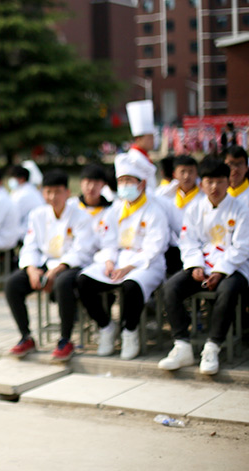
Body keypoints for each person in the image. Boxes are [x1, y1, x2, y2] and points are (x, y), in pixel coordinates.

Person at [158, 159, 249, 375]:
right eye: (210, 182)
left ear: (228, 182)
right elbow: (188, 241)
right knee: (171, 287)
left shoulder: (242, 209)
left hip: (233, 267)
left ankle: (213, 346)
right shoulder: (195, 209)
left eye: (220, 182)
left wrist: (220, 270)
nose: (214, 187)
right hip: (202, 265)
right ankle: (182, 345)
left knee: (227, 291)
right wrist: (195, 265)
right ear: (202, 184)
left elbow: (242, 247)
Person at [77, 153, 169, 360]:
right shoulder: (115, 209)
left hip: (147, 264)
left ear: (142, 183)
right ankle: (106, 327)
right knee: (84, 281)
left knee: (131, 285)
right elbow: (107, 240)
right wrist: (109, 261)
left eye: (129, 181)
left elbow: (155, 247)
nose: (124, 185)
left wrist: (129, 268)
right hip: (118, 260)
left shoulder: (154, 211)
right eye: (121, 181)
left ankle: (130, 331)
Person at [4, 170, 96, 362]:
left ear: (67, 192)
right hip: (44, 264)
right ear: (42, 192)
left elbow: (81, 251)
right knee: (12, 284)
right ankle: (26, 336)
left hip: (70, 266)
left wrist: (57, 270)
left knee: (63, 283)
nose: (52, 197)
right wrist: (31, 270)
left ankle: (65, 339)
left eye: (57, 192)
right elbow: (30, 245)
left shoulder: (81, 216)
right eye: (48, 192)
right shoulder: (37, 215)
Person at [162, 155, 202, 275]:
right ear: (175, 174)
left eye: (191, 172)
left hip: (198, 246)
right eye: (182, 172)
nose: (186, 176)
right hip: (174, 247)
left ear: (197, 174)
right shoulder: (165, 196)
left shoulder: (204, 197)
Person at [125, 100, 158, 192]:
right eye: (149, 138)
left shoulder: (144, 156)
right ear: (138, 139)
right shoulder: (134, 158)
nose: (152, 141)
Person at [8, 165, 44, 240]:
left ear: (22, 179)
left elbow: (12, 215)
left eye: (13, 178)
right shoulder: (28, 190)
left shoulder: (23, 195)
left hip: (27, 230)